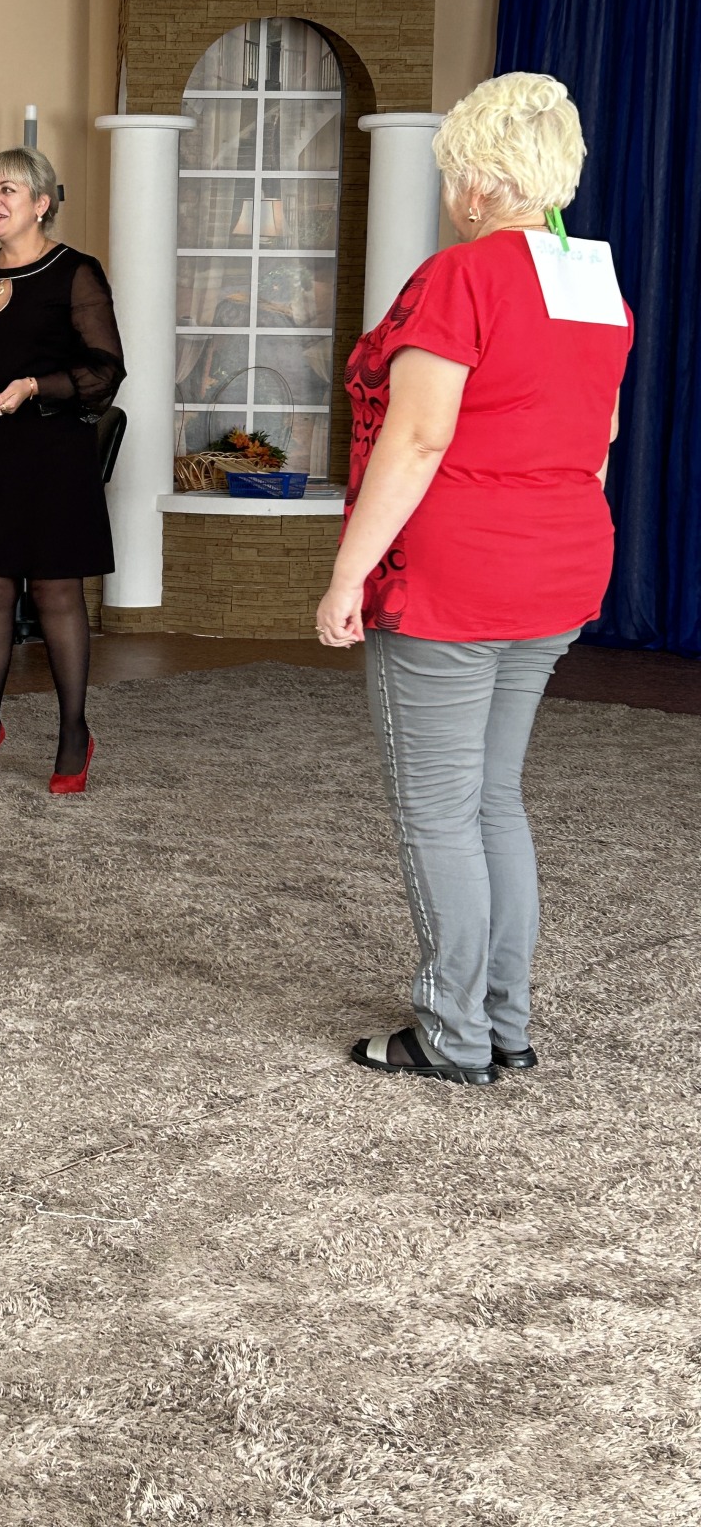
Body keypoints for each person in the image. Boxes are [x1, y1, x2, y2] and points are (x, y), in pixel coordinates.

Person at [316, 73, 631, 1084]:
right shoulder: (594, 283)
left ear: (482, 180)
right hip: (562, 562)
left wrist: (348, 576)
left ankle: (452, 1037)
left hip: (456, 574)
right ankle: (503, 1020)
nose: (451, 191)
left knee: (439, 809)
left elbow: (416, 440)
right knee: (493, 797)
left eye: (454, 171)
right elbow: (600, 441)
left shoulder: (461, 275)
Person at [0, 147, 124, 794]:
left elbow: (106, 370)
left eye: (8, 189)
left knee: (54, 592)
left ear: (41, 203)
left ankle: (74, 733)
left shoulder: (76, 272)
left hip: (53, 456)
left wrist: (37, 386)